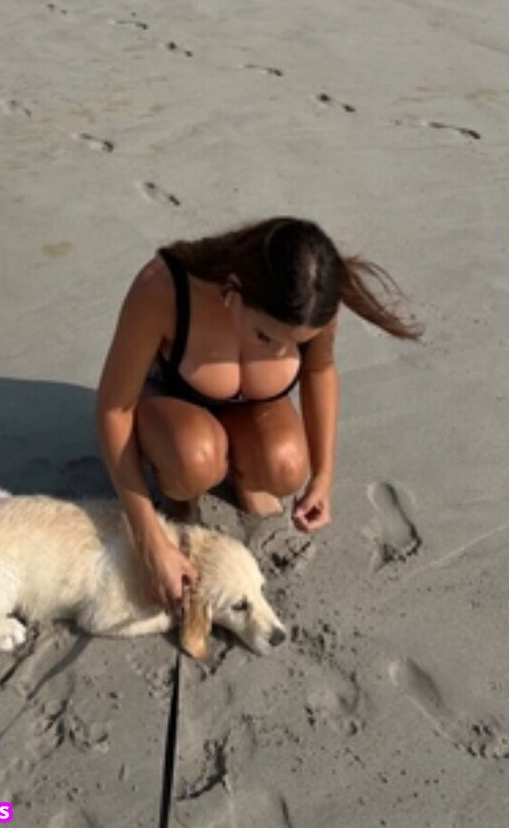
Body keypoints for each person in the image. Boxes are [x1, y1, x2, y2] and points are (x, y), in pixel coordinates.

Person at [96, 216, 422, 615]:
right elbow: (113, 410)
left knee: (286, 467)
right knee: (193, 458)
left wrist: (323, 476)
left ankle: (245, 471)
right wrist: (150, 542)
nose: (279, 352)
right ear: (233, 291)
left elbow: (319, 371)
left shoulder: (313, 298)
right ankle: (181, 496)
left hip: (250, 410)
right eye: (265, 336)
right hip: (168, 403)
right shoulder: (164, 288)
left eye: (294, 344)